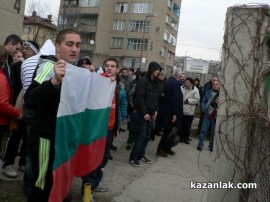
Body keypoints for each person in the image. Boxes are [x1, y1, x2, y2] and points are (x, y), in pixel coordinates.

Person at [24, 29, 81, 201]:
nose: (74, 49)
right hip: (45, 139)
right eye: (69, 44)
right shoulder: (49, 66)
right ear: (57, 46)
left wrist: (102, 83)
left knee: (57, 183)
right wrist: (54, 81)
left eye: (78, 45)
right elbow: (30, 100)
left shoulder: (74, 71)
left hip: (62, 138)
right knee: (42, 186)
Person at [2, 40, 40, 179]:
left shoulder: (41, 65)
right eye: (23, 48)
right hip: (18, 106)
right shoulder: (18, 66)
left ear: (35, 51)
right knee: (15, 135)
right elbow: (12, 85)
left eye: (27, 48)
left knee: (29, 137)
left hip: (32, 107)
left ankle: (23, 162)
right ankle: (8, 163)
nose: (24, 51)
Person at [82, 57, 119, 193]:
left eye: (112, 66)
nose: (109, 68)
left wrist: (116, 127)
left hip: (109, 127)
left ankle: (95, 184)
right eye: (107, 66)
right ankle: (87, 189)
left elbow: (116, 107)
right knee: (93, 159)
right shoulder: (100, 80)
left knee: (103, 158)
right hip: (98, 127)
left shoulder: (114, 82)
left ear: (117, 69)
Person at [129, 61, 160, 166]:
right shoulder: (143, 81)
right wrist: (145, 113)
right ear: (152, 69)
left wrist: (156, 110)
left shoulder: (155, 82)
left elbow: (155, 98)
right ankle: (133, 157)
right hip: (142, 114)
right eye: (157, 69)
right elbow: (140, 98)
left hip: (151, 114)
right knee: (140, 136)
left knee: (147, 136)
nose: (158, 71)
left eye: (159, 70)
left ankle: (141, 155)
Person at [156, 68, 183, 157]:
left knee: (169, 131)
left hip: (166, 109)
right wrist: (174, 113)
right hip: (170, 111)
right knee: (168, 132)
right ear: (178, 75)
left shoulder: (168, 81)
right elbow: (174, 100)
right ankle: (161, 149)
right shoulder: (175, 84)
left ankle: (167, 148)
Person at [197, 80, 220, 151]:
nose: (215, 85)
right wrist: (204, 108)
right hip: (208, 113)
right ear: (212, 85)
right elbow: (203, 101)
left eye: (217, 84)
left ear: (219, 85)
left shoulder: (222, 94)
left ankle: (211, 145)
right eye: (214, 84)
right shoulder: (208, 93)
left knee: (213, 131)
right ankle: (200, 144)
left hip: (216, 115)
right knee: (204, 129)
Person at [180, 77, 200, 144]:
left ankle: (186, 138)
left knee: (187, 125)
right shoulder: (181, 87)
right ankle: (181, 137)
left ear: (191, 83)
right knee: (181, 124)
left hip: (189, 111)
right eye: (186, 82)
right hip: (181, 109)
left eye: (188, 83)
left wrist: (188, 101)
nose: (186, 84)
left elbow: (197, 100)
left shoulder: (195, 90)